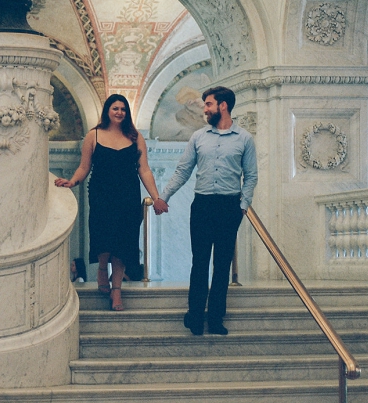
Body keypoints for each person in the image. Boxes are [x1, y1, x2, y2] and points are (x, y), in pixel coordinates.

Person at [155, 86, 259, 336]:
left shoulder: (244, 138)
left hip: (229, 206)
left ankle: (215, 319)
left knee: (222, 266)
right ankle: (194, 317)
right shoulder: (198, 137)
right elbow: (183, 170)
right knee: (199, 262)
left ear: (223, 105)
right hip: (202, 205)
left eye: (209, 104)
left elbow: (251, 176)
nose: (205, 109)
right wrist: (163, 197)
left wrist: (243, 205)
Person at [55, 94, 164, 312]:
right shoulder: (93, 135)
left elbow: (144, 169)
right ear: (107, 110)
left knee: (123, 243)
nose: (119, 112)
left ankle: (116, 291)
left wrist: (156, 197)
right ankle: (102, 269)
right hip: (101, 194)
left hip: (128, 195)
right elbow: (84, 167)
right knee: (103, 237)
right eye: (115, 108)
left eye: (123, 109)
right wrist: (72, 181)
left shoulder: (135, 137)